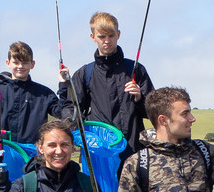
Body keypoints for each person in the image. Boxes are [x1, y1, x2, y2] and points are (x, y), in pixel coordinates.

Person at [58, 11, 155, 152]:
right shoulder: (84, 73)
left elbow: (154, 111)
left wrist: (139, 98)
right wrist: (70, 122)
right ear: (93, 37)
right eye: (102, 37)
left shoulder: (136, 69)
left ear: (118, 34)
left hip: (133, 148)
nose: (107, 41)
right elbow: (72, 107)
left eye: (111, 36)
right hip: (99, 150)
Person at [0, 41, 64, 145]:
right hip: (5, 151)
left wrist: (64, 85)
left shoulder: (44, 94)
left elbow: (61, 112)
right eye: (16, 62)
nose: (20, 66)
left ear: (32, 64)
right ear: (8, 63)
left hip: (34, 154)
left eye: (25, 62)